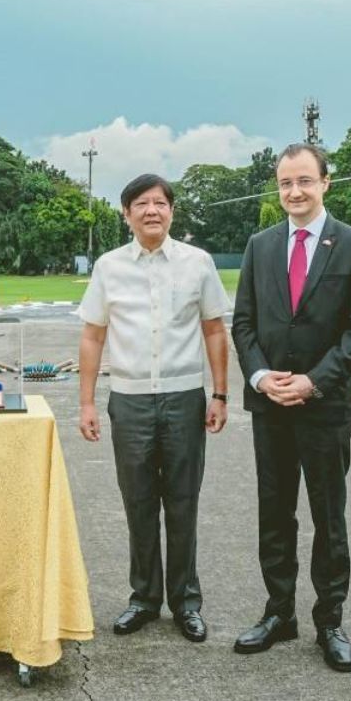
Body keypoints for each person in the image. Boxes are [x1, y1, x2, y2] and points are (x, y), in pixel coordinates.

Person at [230, 143, 351, 672]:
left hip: (324, 407)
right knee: (274, 513)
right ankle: (278, 613)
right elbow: (243, 322)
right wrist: (259, 374)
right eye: (286, 184)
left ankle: (330, 619)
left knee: (327, 517)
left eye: (305, 182)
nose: (295, 192)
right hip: (270, 405)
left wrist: (314, 381)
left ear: (325, 183)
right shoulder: (260, 245)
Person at [77, 173, 231, 643]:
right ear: (126, 214)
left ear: (172, 211)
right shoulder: (108, 267)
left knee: (182, 502)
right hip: (130, 399)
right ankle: (143, 597)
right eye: (141, 203)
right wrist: (85, 402)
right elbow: (92, 335)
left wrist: (220, 393)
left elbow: (213, 329)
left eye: (160, 203)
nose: (152, 211)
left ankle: (186, 601)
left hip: (184, 397)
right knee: (139, 502)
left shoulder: (197, 263)